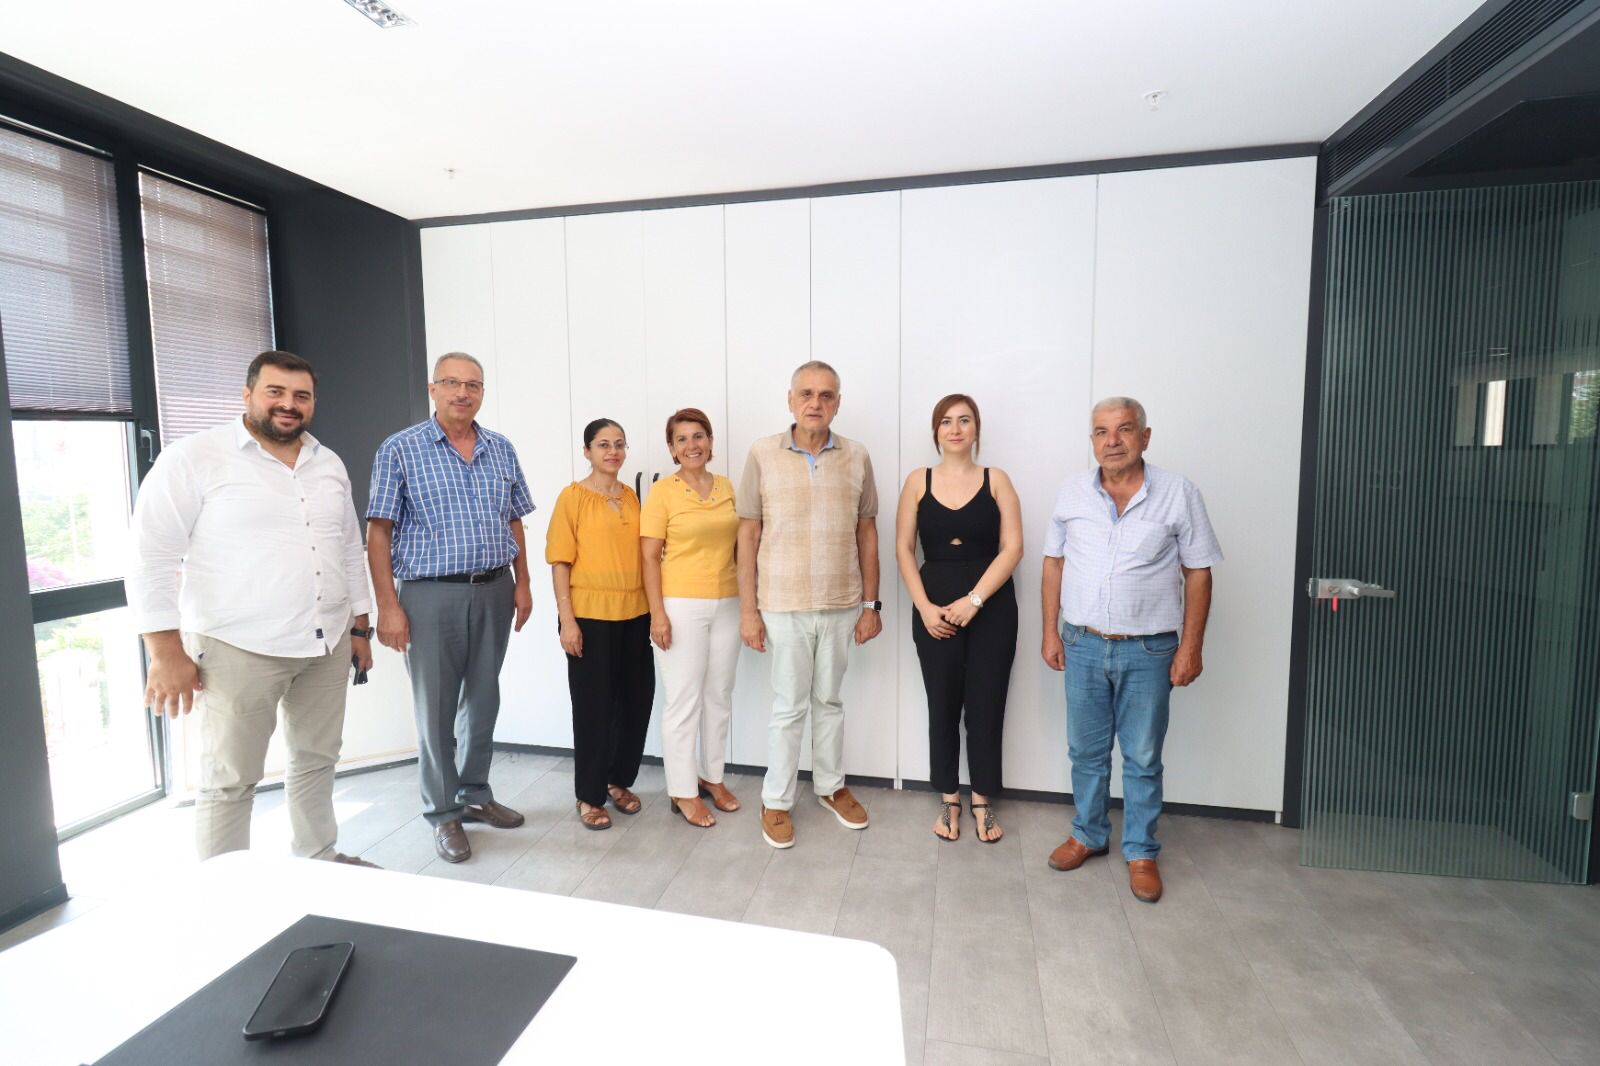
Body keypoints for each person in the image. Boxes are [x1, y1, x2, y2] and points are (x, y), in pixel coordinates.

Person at [129, 350, 376, 866]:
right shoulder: (193, 458)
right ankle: (227, 893)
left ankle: (319, 859)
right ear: (247, 395)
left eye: (301, 396)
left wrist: (359, 627)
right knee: (230, 779)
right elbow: (151, 556)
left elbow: (349, 549)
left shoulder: (327, 463)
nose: (289, 404)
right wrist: (164, 651)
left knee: (316, 759)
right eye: (275, 392)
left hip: (327, 641)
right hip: (238, 648)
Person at [1040, 397, 1222, 903]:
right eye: (1101, 432)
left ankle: (1141, 850)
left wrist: (1191, 647)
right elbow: (1053, 563)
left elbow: (1199, 572)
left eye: (1123, 429)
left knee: (1142, 756)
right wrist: (1050, 631)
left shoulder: (1179, 493)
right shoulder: (1072, 492)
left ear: (1145, 436)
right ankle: (1088, 834)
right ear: (1092, 440)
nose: (1112, 441)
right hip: (1081, 643)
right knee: (1086, 752)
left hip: (1149, 650)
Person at [367, 353, 535, 864]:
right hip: (429, 594)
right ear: (433, 389)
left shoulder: (501, 449)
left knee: (483, 701)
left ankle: (475, 794)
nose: (463, 392)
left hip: (495, 588)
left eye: (473, 385)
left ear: (482, 392)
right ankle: (443, 813)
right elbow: (379, 532)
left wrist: (523, 584)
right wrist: (388, 606)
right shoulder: (400, 449)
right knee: (436, 708)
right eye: (452, 383)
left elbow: (514, 520)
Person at [737, 360, 882, 849]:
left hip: (841, 603)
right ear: (791, 399)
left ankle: (830, 787)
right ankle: (776, 800)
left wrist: (872, 605)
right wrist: (748, 610)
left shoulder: (857, 456)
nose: (815, 403)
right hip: (782, 603)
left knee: (830, 702)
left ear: (837, 403)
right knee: (788, 707)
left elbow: (867, 532)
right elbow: (748, 533)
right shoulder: (763, 453)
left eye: (826, 395)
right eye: (806, 393)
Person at [895, 394, 1022, 843]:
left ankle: (982, 800)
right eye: (946, 421)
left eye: (964, 420)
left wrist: (975, 600)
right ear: (936, 431)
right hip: (933, 606)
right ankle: (949, 797)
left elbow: (1013, 548)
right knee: (942, 702)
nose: (955, 428)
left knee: (987, 703)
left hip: (991, 605)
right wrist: (924, 607)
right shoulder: (918, 481)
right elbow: (903, 549)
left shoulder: (996, 480)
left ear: (976, 429)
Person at [547, 418, 654, 831]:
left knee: (635, 702)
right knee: (593, 708)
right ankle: (589, 795)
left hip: (635, 613)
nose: (613, 451)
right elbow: (560, 561)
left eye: (619, 444)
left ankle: (617, 780)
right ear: (587, 451)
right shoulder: (572, 498)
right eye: (603, 444)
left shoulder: (632, 498)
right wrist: (567, 621)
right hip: (589, 615)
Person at [641, 408, 742, 827]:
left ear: (711, 441)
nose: (692, 445)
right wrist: (657, 615)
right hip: (680, 605)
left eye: (698, 436)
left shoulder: (726, 487)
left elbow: (739, 546)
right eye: (681, 439)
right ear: (672, 448)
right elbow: (649, 557)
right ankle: (683, 791)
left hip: (728, 602)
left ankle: (712, 778)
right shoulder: (662, 492)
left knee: (719, 696)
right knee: (684, 701)